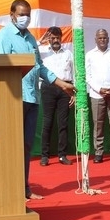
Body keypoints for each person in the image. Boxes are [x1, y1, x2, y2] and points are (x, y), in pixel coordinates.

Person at [0, 0, 75, 200]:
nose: (25, 18)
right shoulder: (4, 36)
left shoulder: (30, 38)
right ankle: (9, 190)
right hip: (12, 97)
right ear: (12, 14)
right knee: (12, 145)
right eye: (21, 14)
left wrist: (62, 84)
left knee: (26, 145)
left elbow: (40, 67)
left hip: (32, 98)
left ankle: (24, 189)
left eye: (28, 14)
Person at [85, 28, 110, 163]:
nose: (102, 40)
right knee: (98, 124)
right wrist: (99, 89)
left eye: (104, 38)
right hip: (97, 94)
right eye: (100, 38)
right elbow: (87, 75)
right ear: (95, 39)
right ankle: (99, 152)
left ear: (108, 39)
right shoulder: (90, 55)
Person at [39, 27, 75, 166]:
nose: (55, 40)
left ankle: (62, 155)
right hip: (48, 88)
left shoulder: (68, 53)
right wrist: (40, 41)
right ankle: (44, 156)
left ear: (61, 38)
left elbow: (75, 73)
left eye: (57, 38)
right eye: (52, 38)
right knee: (47, 122)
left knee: (63, 124)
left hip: (66, 88)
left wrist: (74, 93)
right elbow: (29, 52)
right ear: (49, 39)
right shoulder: (42, 53)